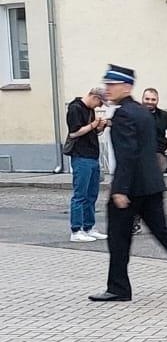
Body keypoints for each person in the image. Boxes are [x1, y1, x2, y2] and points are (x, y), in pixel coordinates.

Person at [89, 65, 167, 303]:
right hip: (153, 184)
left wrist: (120, 189)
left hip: (132, 188)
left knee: (118, 237)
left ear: (126, 87)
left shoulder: (124, 114)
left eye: (111, 85)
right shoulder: (141, 112)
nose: (108, 89)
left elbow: (128, 155)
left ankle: (118, 288)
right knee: (165, 233)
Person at [64, 87, 108, 242]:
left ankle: (89, 227)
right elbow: (74, 133)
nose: (99, 106)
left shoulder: (90, 110)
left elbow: (92, 133)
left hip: (92, 156)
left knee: (91, 195)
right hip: (81, 156)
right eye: (100, 102)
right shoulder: (75, 108)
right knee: (80, 195)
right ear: (94, 97)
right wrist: (93, 125)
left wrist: (99, 127)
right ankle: (76, 231)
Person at [142, 88, 167, 175]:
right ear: (142, 99)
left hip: (159, 154)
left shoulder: (163, 115)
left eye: (153, 99)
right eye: (147, 99)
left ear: (157, 100)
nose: (150, 102)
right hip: (141, 155)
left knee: (155, 181)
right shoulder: (136, 114)